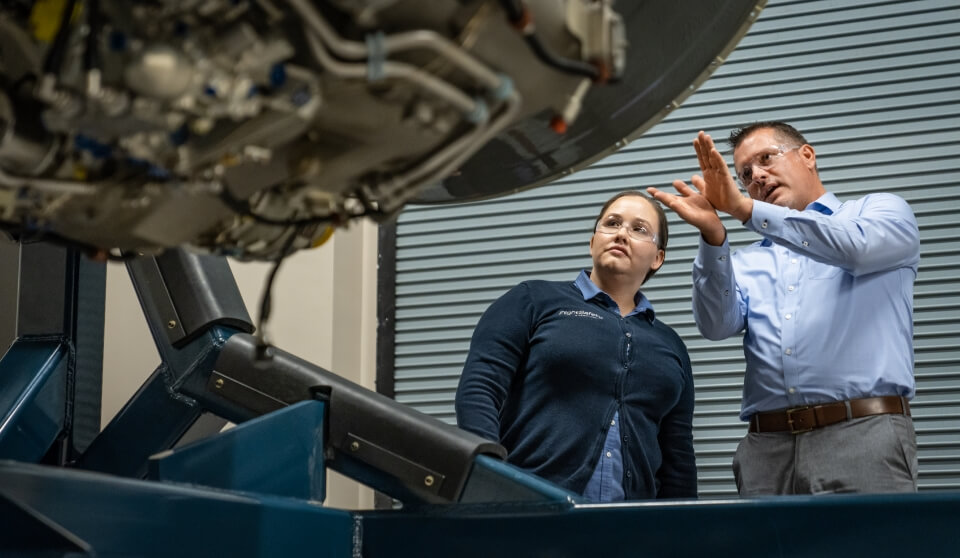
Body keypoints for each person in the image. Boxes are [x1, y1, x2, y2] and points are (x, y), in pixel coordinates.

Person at [647, 122, 920, 496]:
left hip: (863, 434)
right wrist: (714, 238)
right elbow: (715, 325)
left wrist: (743, 210)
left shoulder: (879, 212)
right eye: (744, 174)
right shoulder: (746, 261)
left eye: (766, 159)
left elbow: (856, 249)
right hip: (766, 448)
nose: (756, 176)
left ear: (807, 155)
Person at [455, 191, 697, 501]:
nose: (622, 234)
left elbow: (678, 452)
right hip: (532, 509)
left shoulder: (671, 345)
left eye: (639, 229)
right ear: (592, 241)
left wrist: (683, 533)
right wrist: (491, 478)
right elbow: (480, 388)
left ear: (658, 258)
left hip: (631, 529)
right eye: (611, 223)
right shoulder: (533, 300)